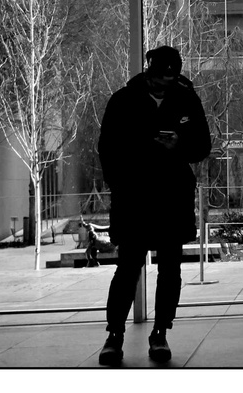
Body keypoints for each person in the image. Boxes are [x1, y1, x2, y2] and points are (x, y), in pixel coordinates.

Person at [97, 45, 212, 366]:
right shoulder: (123, 100)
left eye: (170, 79)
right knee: (128, 267)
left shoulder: (187, 98)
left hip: (172, 196)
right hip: (134, 197)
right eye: (159, 78)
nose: (164, 85)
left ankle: (160, 332)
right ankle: (114, 335)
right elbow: (107, 149)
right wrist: (120, 181)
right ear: (148, 70)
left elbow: (202, 145)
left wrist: (179, 145)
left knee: (170, 269)